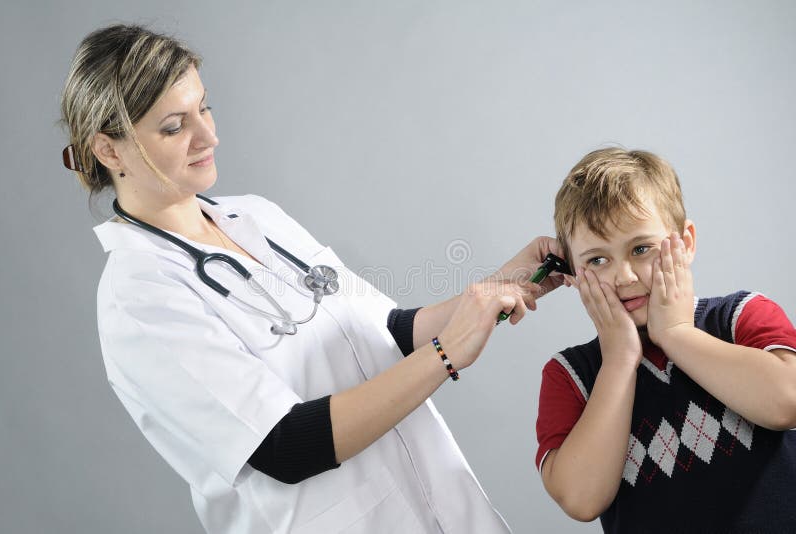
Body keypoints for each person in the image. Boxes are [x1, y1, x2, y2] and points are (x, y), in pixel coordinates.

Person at [60, 24, 564, 534]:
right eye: (174, 126)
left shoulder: (255, 216)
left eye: (204, 108)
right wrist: (447, 354)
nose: (209, 136)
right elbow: (284, 446)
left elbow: (384, 333)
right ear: (109, 151)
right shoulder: (139, 295)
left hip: (448, 511)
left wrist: (503, 283)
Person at [534, 147, 796, 533]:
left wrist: (675, 334)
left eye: (641, 249)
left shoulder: (741, 316)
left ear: (686, 243)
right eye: (597, 260)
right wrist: (620, 359)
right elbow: (580, 498)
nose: (623, 276)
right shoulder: (570, 375)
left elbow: (786, 401)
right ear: (572, 273)